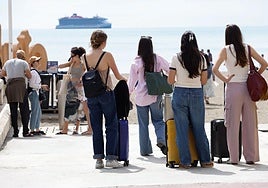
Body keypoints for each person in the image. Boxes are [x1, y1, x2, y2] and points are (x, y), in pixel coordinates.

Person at [212, 24, 268, 165]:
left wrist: (225, 79)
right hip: (248, 89)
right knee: (250, 124)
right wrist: (254, 76)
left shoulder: (225, 50)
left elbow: (215, 69)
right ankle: (250, 157)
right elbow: (264, 64)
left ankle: (234, 158)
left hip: (233, 88)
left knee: (232, 124)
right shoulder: (247, 48)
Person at [168, 31, 213, 168]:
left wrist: (179, 79)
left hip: (180, 93)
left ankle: (185, 161)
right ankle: (205, 160)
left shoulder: (176, 58)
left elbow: (170, 80)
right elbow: (204, 81)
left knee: (181, 130)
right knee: (199, 128)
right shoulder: (202, 58)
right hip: (196, 93)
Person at [83, 30, 126, 169]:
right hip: (106, 94)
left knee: (96, 127)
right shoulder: (106, 55)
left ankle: (98, 159)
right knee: (111, 125)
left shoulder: (85, 56)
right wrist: (126, 81)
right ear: (103, 42)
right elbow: (118, 75)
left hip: (91, 96)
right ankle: (111, 158)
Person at [128, 36, 168, 156]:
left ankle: (145, 150)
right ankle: (162, 139)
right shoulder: (157, 59)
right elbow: (169, 68)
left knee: (143, 125)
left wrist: (128, 94)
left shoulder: (136, 63)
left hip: (141, 97)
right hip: (155, 94)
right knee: (158, 121)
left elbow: (131, 83)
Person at [56, 47, 92, 135]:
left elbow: (88, 71)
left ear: (77, 56)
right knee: (72, 107)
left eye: (72, 55)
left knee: (85, 109)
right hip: (72, 88)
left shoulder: (83, 64)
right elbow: (63, 65)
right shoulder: (72, 63)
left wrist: (81, 80)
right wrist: (54, 66)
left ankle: (90, 128)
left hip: (80, 89)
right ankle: (66, 129)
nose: (71, 57)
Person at [1, 50, 32, 137]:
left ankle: (15, 132)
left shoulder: (7, 62)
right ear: (23, 56)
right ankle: (25, 131)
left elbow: (2, 74)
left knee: (13, 110)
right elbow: (29, 76)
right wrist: (24, 73)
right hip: (21, 87)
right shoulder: (24, 63)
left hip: (10, 87)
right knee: (24, 109)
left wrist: (11, 74)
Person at [28, 56, 49, 135]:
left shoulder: (34, 72)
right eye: (37, 61)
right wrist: (41, 86)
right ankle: (32, 129)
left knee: (38, 112)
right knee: (35, 111)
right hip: (34, 93)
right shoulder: (33, 72)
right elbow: (32, 84)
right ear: (33, 63)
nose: (38, 62)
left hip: (35, 92)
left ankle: (36, 128)